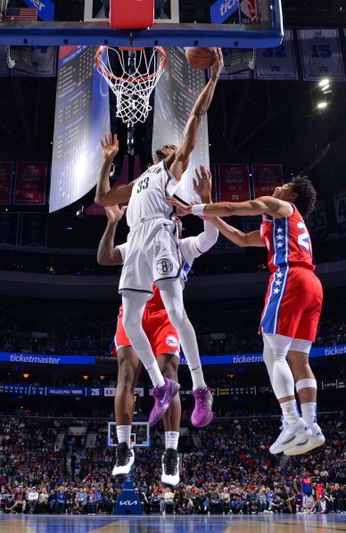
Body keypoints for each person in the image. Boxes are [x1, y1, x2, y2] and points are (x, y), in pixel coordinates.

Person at [94, 48, 225, 435]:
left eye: (175, 150)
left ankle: (200, 389)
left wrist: (213, 77)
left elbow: (196, 117)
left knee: (175, 311)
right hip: (136, 240)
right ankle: (161, 385)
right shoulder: (139, 182)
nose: (172, 148)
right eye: (167, 148)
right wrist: (107, 160)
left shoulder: (172, 169)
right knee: (130, 320)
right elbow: (102, 199)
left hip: (161, 235)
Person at [168, 171, 324, 456]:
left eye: (285, 185)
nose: (278, 185)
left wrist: (194, 208)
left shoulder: (282, 207)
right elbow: (239, 238)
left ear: (293, 196)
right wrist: (207, 206)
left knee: (272, 354)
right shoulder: (282, 225)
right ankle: (311, 424)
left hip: (290, 275)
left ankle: (292, 421)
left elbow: (235, 208)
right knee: (299, 358)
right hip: (313, 285)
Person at [97, 175, 219, 485]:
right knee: (126, 373)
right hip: (135, 314)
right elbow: (105, 257)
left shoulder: (183, 247)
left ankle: (171, 453)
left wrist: (205, 203)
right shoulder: (139, 239)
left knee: (170, 375)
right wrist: (112, 223)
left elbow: (210, 238)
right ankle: (124, 448)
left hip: (165, 317)